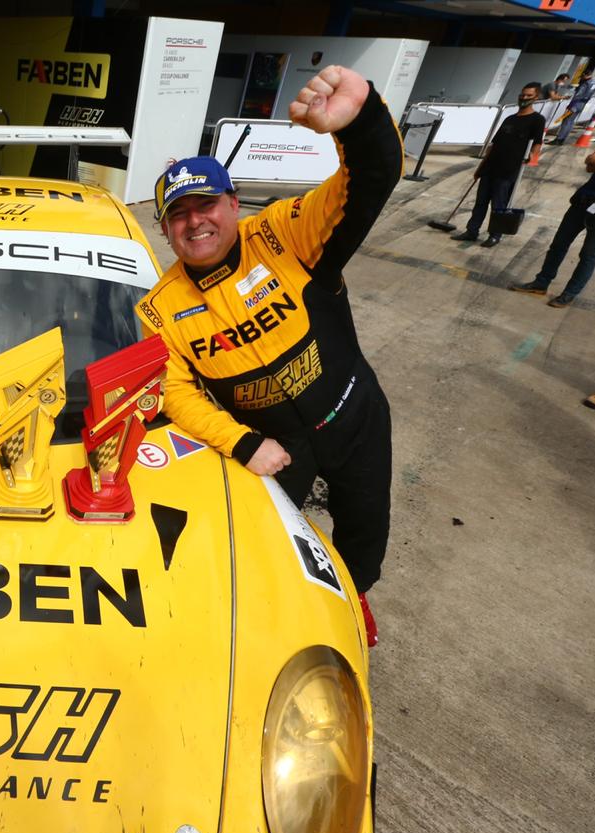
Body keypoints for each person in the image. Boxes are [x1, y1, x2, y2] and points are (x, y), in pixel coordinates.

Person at [136, 66, 400, 646]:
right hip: (275, 445)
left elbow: (368, 182)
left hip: (354, 414)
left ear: (233, 203)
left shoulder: (284, 233)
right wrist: (241, 442)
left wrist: (358, 124)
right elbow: (175, 393)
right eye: (178, 214)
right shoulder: (159, 309)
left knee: (364, 532)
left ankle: (354, 599)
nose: (195, 222)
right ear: (166, 230)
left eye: (206, 204)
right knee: (265, 544)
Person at [510, 125, 595, 307]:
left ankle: (570, 293)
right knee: (558, 244)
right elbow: (590, 165)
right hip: (584, 198)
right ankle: (541, 283)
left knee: (589, 254)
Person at [451, 82, 545, 247]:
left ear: (536, 97)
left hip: (508, 170)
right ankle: (472, 231)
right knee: (480, 203)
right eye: (522, 94)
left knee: (498, 205)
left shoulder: (537, 120)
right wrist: (481, 167)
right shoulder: (510, 119)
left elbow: (537, 143)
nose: (524, 98)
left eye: (529, 95)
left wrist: (531, 156)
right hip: (490, 167)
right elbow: (494, 145)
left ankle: (495, 235)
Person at [550, 72, 595, 144]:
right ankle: (562, 139)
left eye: (582, 76)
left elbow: (578, 95)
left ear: (585, 75)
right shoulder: (594, 83)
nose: (581, 78)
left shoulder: (585, 83)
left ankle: (559, 139)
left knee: (566, 121)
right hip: (581, 105)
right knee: (571, 121)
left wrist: (571, 104)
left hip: (575, 104)